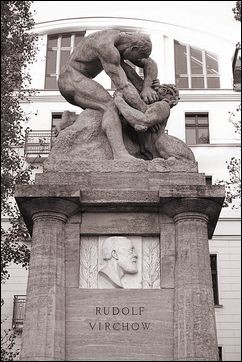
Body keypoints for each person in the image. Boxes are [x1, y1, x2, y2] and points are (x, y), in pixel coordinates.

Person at [58, 30, 159, 160]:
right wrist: (146, 113)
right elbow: (123, 86)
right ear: (133, 48)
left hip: (81, 77)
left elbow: (150, 63)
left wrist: (146, 87)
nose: (136, 61)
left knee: (127, 74)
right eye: (137, 57)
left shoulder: (122, 43)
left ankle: (71, 119)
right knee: (110, 106)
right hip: (70, 79)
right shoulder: (106, 47)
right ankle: (120, 154)